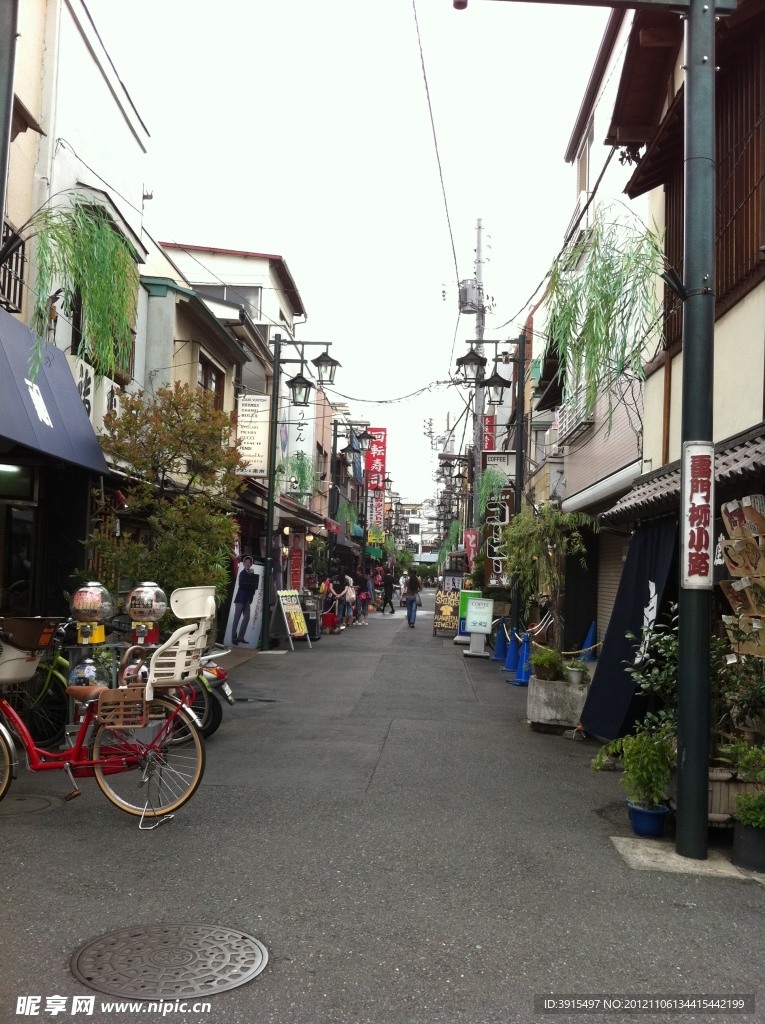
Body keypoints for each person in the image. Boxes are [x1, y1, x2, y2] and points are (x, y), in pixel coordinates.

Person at [231, 556, 259, 645]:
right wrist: (251, 575)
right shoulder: (242, 573)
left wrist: (252, 575)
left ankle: (241, 637)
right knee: (236, 618)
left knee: (247, 617)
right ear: (243, 564)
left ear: (251, 564)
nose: (247, 564)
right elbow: (244, 584)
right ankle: (233, 637)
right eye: (246, 562)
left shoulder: (251, 574)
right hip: (240, 598)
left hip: (247, 599)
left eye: (249, 563)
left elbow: (255, 586)